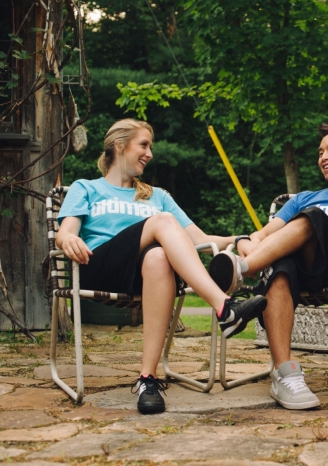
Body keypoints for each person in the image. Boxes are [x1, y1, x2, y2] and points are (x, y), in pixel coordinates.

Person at [56, 118, 267, 415]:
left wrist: (242, 238)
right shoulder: (87, 188)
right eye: (143, 145)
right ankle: (225, 307)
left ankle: (147, 379)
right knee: (163, 224)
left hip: (143, 275)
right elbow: (66, 231)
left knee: (157, 257)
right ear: (119, 145)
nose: (150, 153)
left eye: (150, 147)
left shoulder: (158, 197)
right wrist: (67, 240)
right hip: (100, 266)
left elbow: (202, 240)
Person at [208, 123, 328, 410]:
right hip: (303, 271)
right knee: (283, 264)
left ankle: (241, 270)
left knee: (313, 218)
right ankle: (285, 375)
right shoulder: (304, 198)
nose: (323, 156)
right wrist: (248, 241)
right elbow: (262, 235)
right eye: (320, 151)